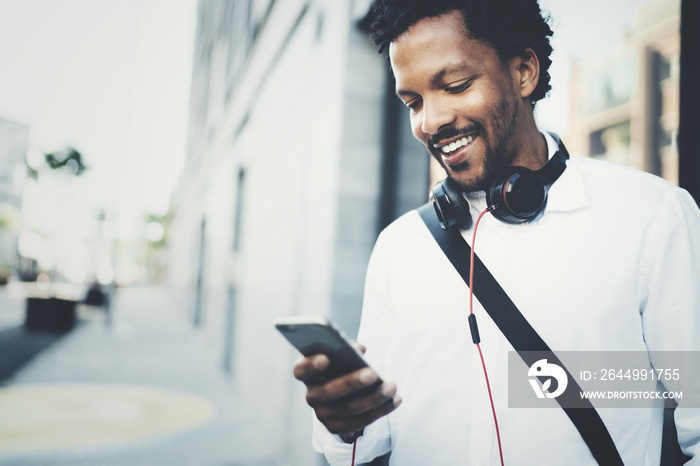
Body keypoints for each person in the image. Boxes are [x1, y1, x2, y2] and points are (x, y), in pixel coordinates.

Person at [292, 0, 700, 464]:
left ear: (524, 71)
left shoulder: (652, 218)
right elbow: (366, 444)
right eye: (414, 102)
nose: (431, 121)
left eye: (456, 85)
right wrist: (343, 422)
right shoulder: (398, 248)